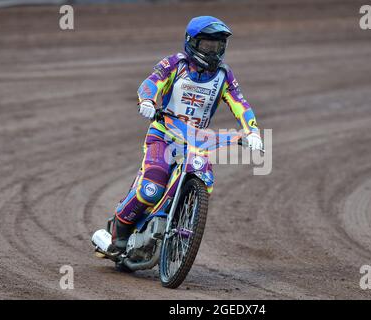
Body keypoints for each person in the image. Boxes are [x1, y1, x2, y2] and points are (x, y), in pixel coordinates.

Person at [110, 16, 264, 252]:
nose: (213, 52)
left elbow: (240, 104)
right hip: (163, 135)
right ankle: (118, 233)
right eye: (207, 45)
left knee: (203, 175)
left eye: (218, 46)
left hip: (194, 142)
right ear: (192, 42)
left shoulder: (224, 75)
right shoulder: (175, 64)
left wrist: (252, 131)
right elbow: (152, 82)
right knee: (151, 186)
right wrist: (148, 100)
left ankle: (176, 224)